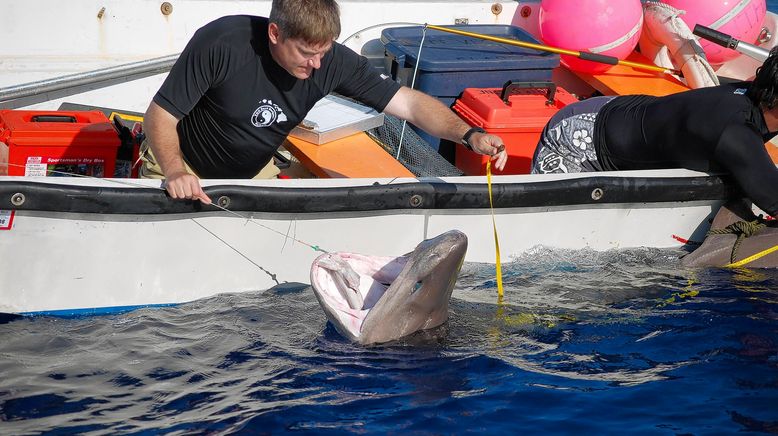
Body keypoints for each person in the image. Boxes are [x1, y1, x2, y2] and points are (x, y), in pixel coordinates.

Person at [142, 0, 507, 204]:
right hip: (179, 163)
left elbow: (409, 105)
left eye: (324, 52)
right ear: (274, 33)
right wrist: (176, 171)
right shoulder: (222, 42)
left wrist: (468, 134)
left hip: (251, 173)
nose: (316, 65)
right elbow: (160, 114)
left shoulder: (330, 62)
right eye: (305, 53)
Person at [531, 48, 778, 217]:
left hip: (622, 118)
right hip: (575, 139)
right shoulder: (734, 131)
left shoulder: (754, 97)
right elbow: (773, 198)